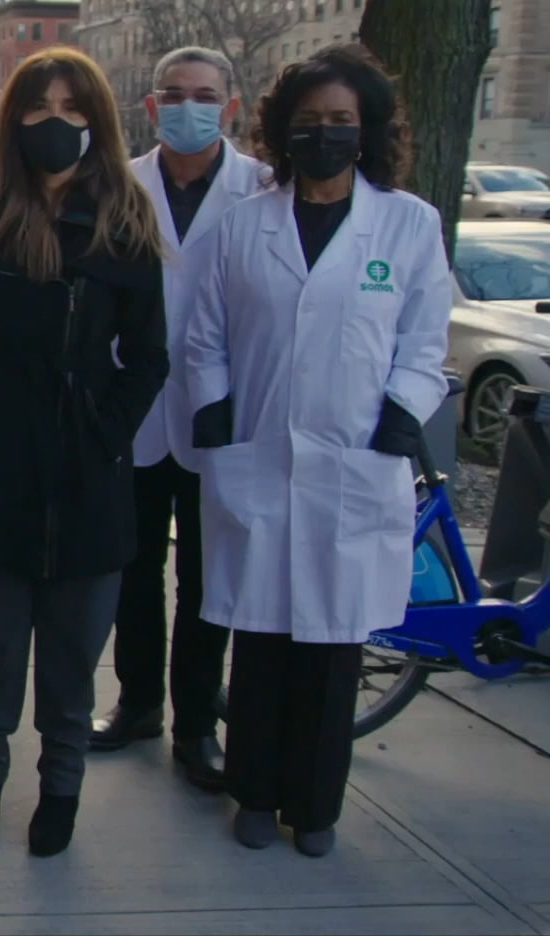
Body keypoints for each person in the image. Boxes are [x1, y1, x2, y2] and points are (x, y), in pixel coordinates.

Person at [186, 45, 450, 858]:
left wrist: (403, 416)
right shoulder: (241, 227)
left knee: (333, 651)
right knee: (261, 643)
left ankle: (317, 807)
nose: (327, 135)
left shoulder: (406, 225)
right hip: (260, 457)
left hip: (355, 463)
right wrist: (214, 412)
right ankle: (255, 796)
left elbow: (424, 340)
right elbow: (204, 337)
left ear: (366, 130)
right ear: (284, 133)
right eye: (310, 124)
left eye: (341, 122)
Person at [0, 47, 168, 858]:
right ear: (14, 119)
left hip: (89, 462)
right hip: (0, 452)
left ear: (97, 122)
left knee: (73, 652)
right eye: (39, 109)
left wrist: (107, 431)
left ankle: (61, 787)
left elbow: (150, 356)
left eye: (73, 110)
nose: (56, 124)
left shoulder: (126, 217)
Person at [91, 46, 265, 788]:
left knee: (208, 573)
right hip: (137, 408)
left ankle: (197, 721)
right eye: (174, 94)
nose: (189, 106)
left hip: (224, 414)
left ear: (230, 107)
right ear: (152, 107)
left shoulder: (263, 189)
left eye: (205, 95)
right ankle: (138, 702)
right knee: (134, 566)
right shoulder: (119, 185)